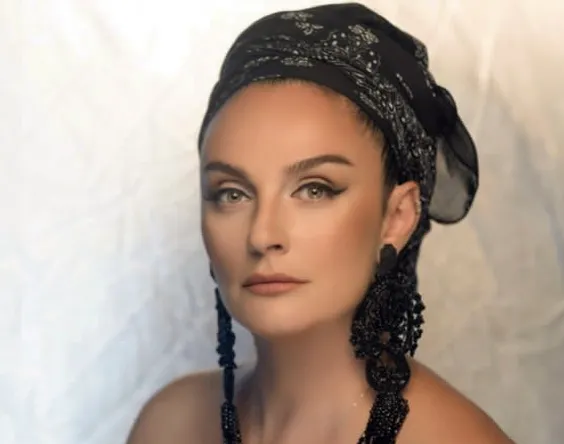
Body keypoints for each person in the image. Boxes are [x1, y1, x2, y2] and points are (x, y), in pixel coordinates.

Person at [127, 3, 513, 443]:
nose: (262, 235)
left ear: (397, 216)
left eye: (315, 189)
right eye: (231, 193)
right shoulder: (167, 426)